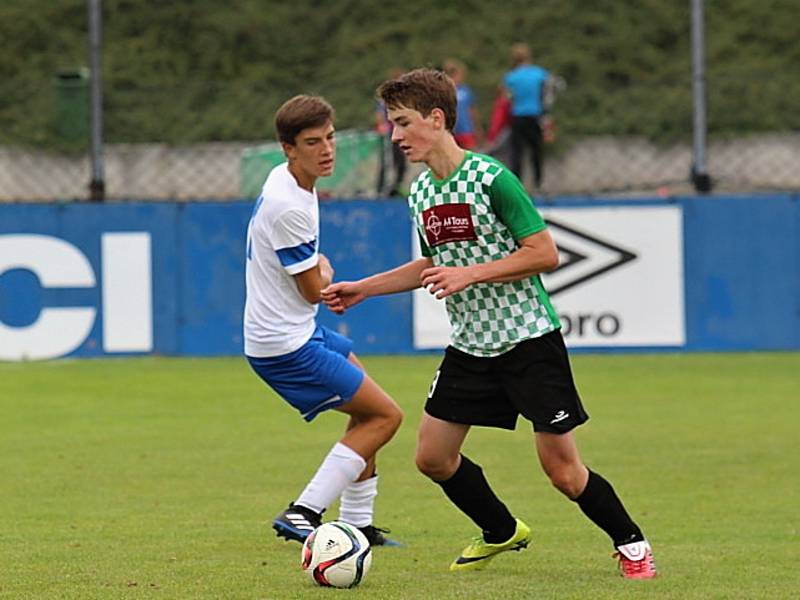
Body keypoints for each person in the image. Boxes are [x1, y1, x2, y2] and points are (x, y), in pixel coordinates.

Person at [322, 69, 656, 578]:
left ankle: (632, 544)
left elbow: (544, 252)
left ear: (437, 119)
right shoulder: (420, 193)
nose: (395, 135)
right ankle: (501, 530)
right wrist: (363, 288)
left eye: (403, 123)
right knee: (432, 458)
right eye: (392, 124)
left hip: (527, 340)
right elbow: (432, 264)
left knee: (563, 473)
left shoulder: (492, 178)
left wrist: (470, 274)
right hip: (471, 346)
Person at [243, 94, 403, 547]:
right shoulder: (288, 205)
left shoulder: (291, 181)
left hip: (297, 330)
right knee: (386, 416)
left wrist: (315, 266)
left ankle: (356, 525)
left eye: (330, 137)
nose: (327, 149)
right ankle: (303, 511)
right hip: (285, 345)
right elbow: (314, 290)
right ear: (289, 148)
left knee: (369, 411)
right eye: (313, 142)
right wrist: (325, 270)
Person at [504, 42, 551, 189]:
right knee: (536, 151)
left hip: (518, 116)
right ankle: (539, 183)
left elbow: (508, 98)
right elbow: (549, 90)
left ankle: (517, 184)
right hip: (535, 116)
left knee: (517, 152)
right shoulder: (540, 73)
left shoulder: (511, 77)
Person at [442, 59, 483, 150]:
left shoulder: (466, 91)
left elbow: (472, 111)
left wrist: (477, 129)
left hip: (466, 130)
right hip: (451, 131)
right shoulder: (445, 91)